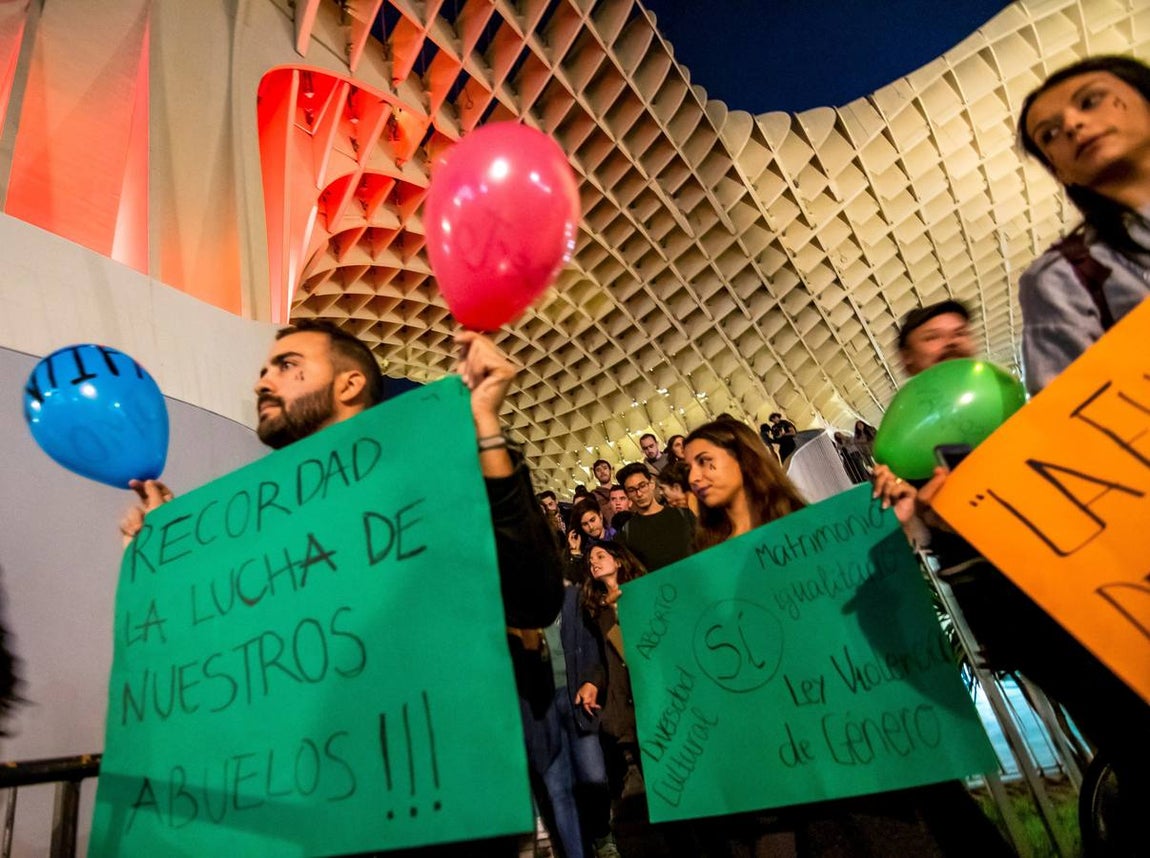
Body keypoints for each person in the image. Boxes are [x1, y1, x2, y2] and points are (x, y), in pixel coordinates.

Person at [120, 319, 564, 858]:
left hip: (440, 812)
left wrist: (484, 428)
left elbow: (534, 598)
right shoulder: (262, 535)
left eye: (287, 366)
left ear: (349, 384)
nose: (262, 381)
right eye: (264, 369)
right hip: (317, 818)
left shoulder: (419, 490)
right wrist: (166, 564)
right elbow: (228, 671)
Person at [684, 419, 1011, 857]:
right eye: (689, 467)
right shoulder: (704, 562)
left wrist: (897, 529)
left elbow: (864, 604)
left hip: (858, 728)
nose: (694, 477)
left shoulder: (813, 531)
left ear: (743, 460)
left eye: (705, 462)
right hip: (788, 749)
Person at [1017, 54, 1150, 394]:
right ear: (1060, 172)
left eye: (1090, 101)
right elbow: (1074, 408)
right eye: (1049, 135)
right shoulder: (1062, 277)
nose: (1072, 124)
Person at [614, 462, 695, 572]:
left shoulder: (683, 515)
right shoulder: (627, 534)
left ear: (651, 484)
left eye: (642, 486)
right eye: (632, 490)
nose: (639, 494)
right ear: (627, 494)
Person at [590, 459, 617, 526]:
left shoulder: (620, 489)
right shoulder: (593, 496)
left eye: (605, 468)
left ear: (610, 471)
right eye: (598, 470)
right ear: (595, 475)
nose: (602, 472)